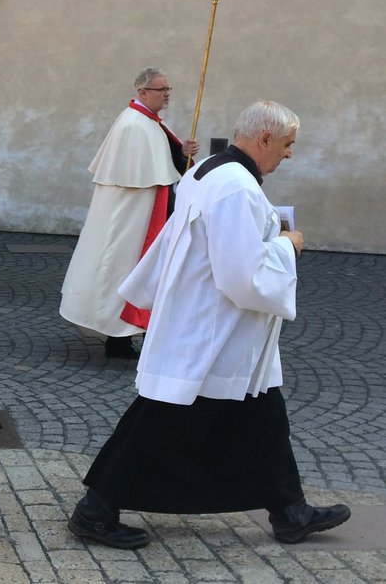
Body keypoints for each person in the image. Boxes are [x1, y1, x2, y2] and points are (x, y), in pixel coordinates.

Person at [68, 101, 351, 549]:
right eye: (287, 145)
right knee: (160, 420)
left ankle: (290, 511)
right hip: (211, 332)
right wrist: (287, 246)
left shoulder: (209, 169)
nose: (290, 154)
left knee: (264, 415)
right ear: (263, 140)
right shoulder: (236, 187)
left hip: (215, 325)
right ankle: (94, 510)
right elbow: (243, 276)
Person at [59, 67, 199, 359]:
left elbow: (165, 164)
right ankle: (118, 337)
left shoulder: (149, 122)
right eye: (162, 90)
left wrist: (182, 151)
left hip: (145, 215)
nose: (167, 95)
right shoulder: (133, 125)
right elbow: (137, 179)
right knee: (121, 271)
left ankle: (126, 338)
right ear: (143, 92)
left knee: (136, 273)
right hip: (130, 221)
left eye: (168, 89)